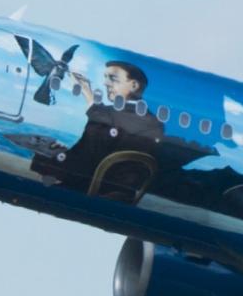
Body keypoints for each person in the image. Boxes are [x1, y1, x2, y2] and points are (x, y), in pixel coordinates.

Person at [33, 61, 164, 202]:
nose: (106, 83)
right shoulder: (154, 122)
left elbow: (91, 156)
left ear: (134, 85)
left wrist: (58, 157)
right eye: (105, 78)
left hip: (94, 189)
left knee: (43, 159)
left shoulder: (113, 118)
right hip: (113, 188)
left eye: (113, 78)